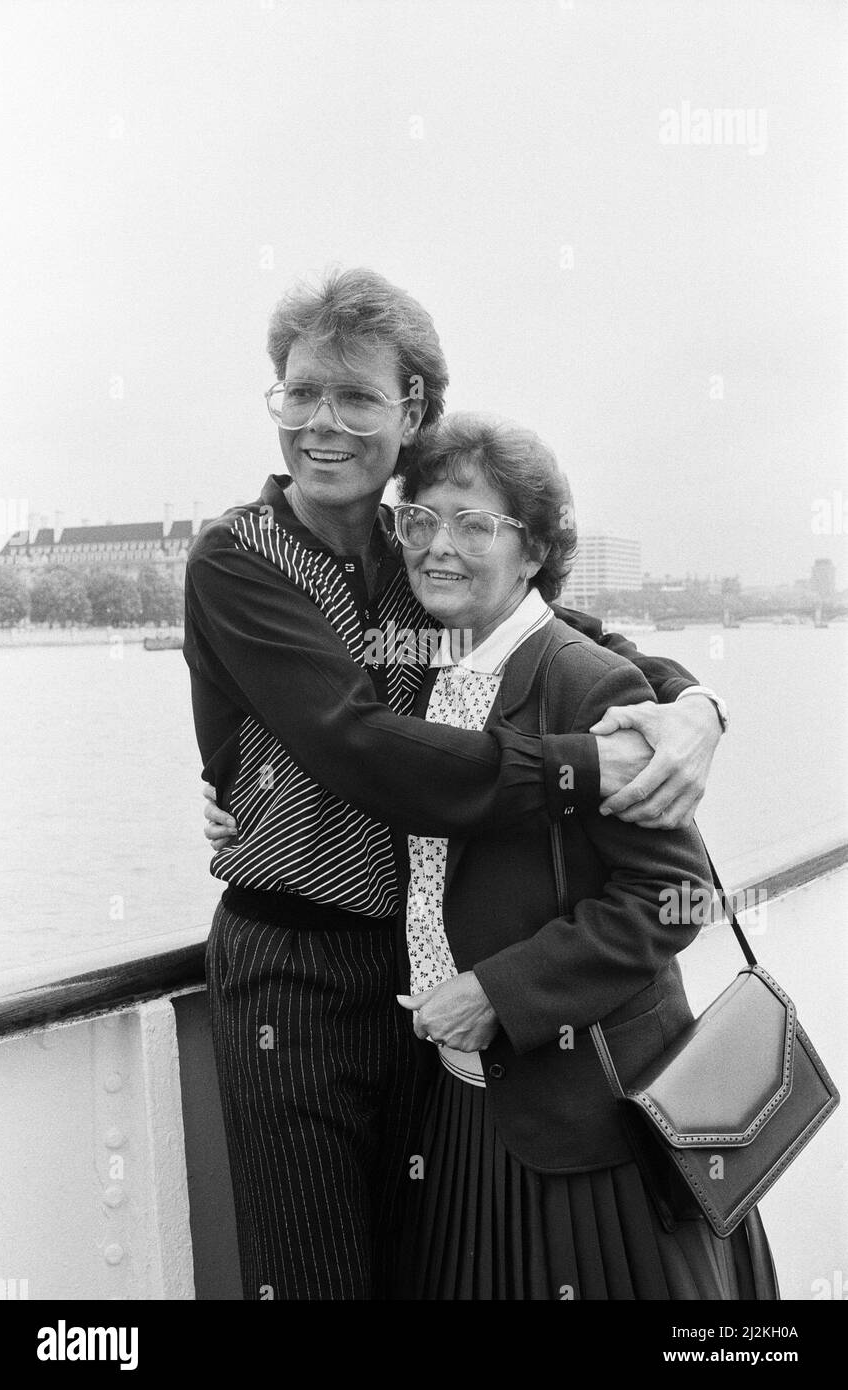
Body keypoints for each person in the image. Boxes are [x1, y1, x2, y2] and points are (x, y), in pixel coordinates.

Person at [186, 267, 727, 1301]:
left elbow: (575, 642)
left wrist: (696, 707)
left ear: (412, 410)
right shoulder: (236, 559)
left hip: (415, 977)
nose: (321, 424)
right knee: (313, 1277)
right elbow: (360, 748)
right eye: (299, 393)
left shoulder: (411, 550)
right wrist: (581, 766)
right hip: (292, 970)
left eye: (355, 397)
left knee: (411, 1266)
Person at [388, 413, 777, 1300]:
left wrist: (497, 992)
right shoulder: (424, 672)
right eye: (421, 519)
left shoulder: (579, 677)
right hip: (467, 1102)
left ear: (533, 552)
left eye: (473, 524)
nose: (438, 546)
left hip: (587, 1118)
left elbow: (670, 896)